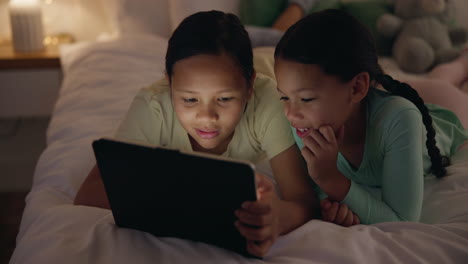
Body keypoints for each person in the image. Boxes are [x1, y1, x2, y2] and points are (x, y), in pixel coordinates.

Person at [74, 10, 320, 257]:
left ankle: (296, 8)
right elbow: (87, 193)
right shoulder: (154, 104)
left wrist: (277, 218)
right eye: (190, 99)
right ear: (169, 84)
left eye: (224, 99)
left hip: (268, 59)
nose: (207, 117)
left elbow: (302, 200)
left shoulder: (270, 102)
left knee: (282, 44)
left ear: (249, 87)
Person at [273, 9, 468, 225]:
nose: (290, 113)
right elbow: (320, 197)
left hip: (443, 112)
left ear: (357, 87)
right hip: (377, 98)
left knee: (447, 78)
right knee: (437, 78)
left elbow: (402, 220)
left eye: (307, 99)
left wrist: (330, 178)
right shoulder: (304, 123)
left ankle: (462, 61)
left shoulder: (401, 119)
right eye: (284, 97)